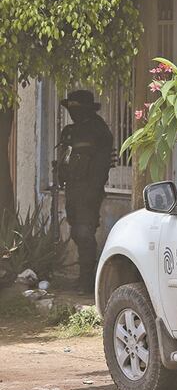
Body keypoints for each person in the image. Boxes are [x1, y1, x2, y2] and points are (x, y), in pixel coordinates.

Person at [57, 90, 113, 292]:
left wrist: (93, 191)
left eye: (77, 109)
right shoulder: (71, 130)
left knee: (84, 232)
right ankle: (84, 277)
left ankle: (88, 281)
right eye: (70, 109)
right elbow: (65, 159)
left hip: (90, 189)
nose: (73, 112)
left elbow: (102, 165)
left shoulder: (98, 130)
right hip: (72, 189)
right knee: (76, 231)